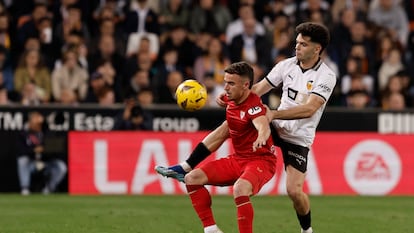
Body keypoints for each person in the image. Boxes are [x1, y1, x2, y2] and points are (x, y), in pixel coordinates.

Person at [156, 22, 337, 233]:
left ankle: (307, 230)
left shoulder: (326, 76)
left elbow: (310, 109)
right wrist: (235, 99)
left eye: (304, 44)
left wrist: (273, 113)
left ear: (317, 49)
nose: (297, 47)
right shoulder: (286, 65)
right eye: (297, 43)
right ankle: (187, 166)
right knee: (230, 122)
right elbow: (258, 89)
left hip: (297, 137)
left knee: (294, 192)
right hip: (275, 125)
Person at [170, 61, 276, 233]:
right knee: (192, 178)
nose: (225, 87)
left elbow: (262, 124)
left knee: (240, 188)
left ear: (246, 85)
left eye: (231, 83)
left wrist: (262, 136)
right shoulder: (231, 98)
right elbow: (225, 101)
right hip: (238, 159)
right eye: (225, 82)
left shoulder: (253, 105)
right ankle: (211, 230)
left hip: (260, 161)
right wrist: (223, 99)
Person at [16, 111, 67, 195]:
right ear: (30, 121)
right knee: (22, 160)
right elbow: (20, 151)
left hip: (46, 162)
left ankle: (48, 189)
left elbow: (56, 149)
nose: (38, 120)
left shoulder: (47, 132)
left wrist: (45, 149)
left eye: (38, 118)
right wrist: (34, 150)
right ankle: (25, 188)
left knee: (61, 166)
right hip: (32, 163)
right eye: (34, 118)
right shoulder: (23, 133)